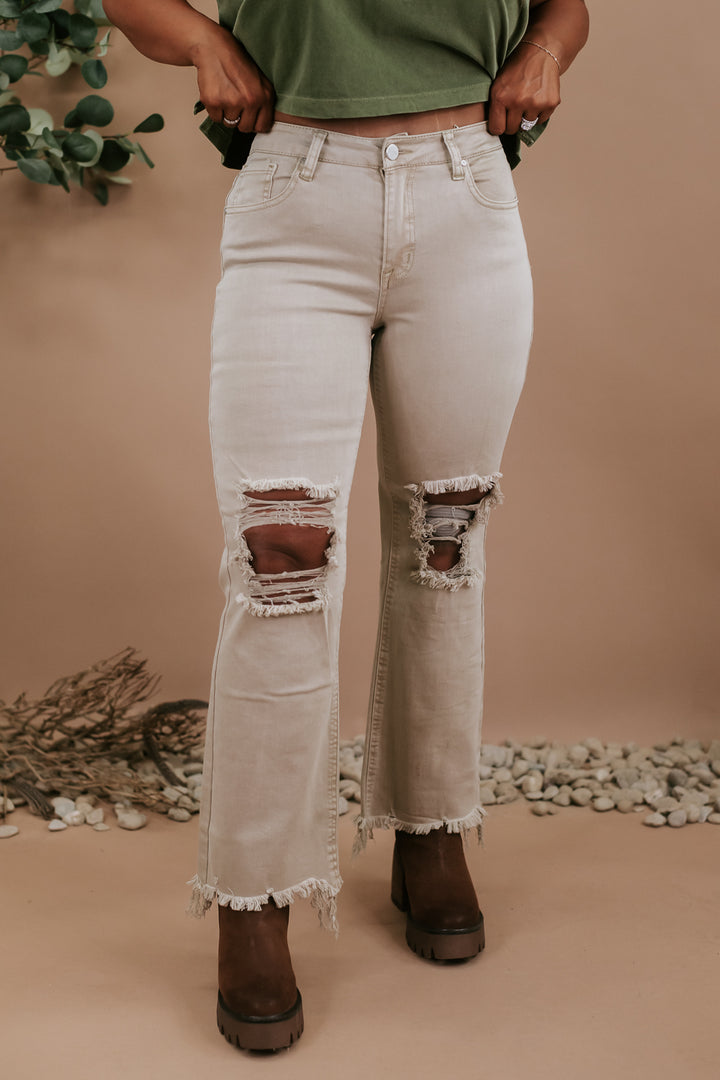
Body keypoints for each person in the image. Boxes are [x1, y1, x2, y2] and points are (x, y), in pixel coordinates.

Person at [104, 0, 590, 1053]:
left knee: (445, 539)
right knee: (279, 555)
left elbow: (567, 6)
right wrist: (203, 41)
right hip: (298, 194)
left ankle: (430, 825)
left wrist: (548, 48)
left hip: (467, 191)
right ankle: (255, 895)